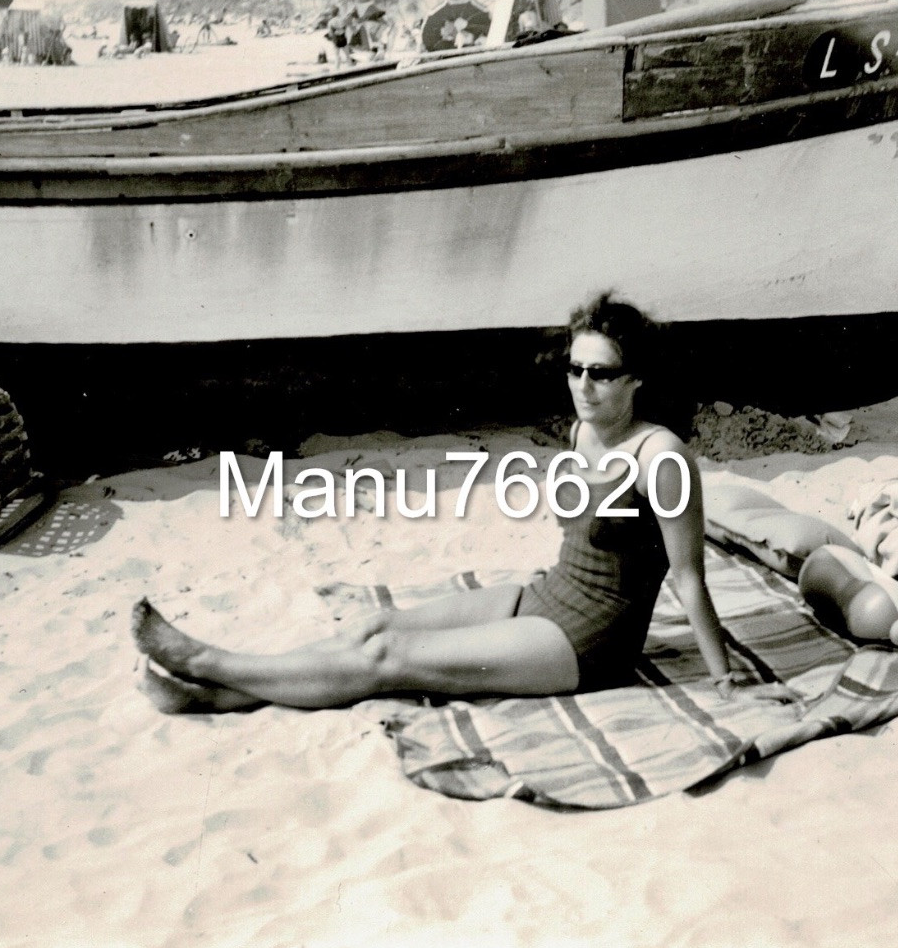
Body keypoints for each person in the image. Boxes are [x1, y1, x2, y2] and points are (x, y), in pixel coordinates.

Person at [132, 293, 798, 713]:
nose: (583, 386)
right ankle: (218, 696)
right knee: (375, 628)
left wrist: (726, 677)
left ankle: (207, 662)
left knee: (386, 663)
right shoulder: (581, 431)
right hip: (546, 596)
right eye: (574, 369)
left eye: (601, 374)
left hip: (588, 641)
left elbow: (687, 576)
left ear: (636, 380)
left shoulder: (663, 457)